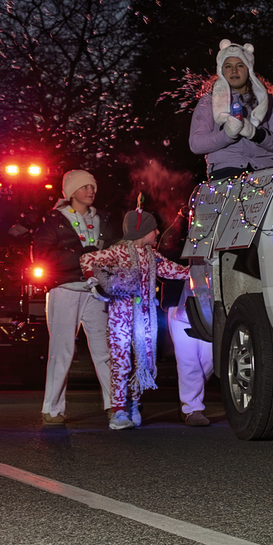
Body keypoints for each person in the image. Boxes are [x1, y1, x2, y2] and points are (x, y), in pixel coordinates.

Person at [81, 207, 189, 430]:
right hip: (120, 316)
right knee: (121, 362)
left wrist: (195, 272)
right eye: (153, 229)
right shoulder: (118, 251)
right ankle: (118, 411)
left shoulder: (151, 255)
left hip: (145, 317)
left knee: (144, 360)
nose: (158, 232)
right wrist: (94, 283)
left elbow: (171, 270)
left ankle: (134, 405)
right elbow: (87, 259)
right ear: (141, 231)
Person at [32, 169, 114, 426]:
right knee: (62, 350)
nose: (91, 191)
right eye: (85, 187)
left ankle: (116, 404)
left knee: (105, 350)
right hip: (65, 289)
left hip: (94, 291)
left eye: (93, 186)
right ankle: (53, 408)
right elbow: (43, 256)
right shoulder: (54, 220)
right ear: (71, 192)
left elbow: (111, 251)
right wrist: (84, 257)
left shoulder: (101, 218)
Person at [189, 40, 273, 181]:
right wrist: (227, 135)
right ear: (221, 70)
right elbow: (196, 144)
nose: (234, 71)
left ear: (248, 68)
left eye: (240, 65)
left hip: (266, 172)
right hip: (226, 174)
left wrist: (257, 134)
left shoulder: (267, 101)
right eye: (228, 66)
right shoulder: (209, 101)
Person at [161, 210, 212, 426]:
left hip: (210, 307)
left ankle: (192, 398)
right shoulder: (180, 232)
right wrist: (181, 219)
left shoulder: (219, 228)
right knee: (188, 360)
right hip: (181, 308)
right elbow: (165, 249)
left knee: (209, 361)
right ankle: (192, 408)